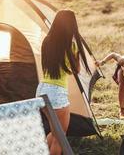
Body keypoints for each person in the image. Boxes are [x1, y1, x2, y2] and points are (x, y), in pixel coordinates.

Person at [36, 10, 91, 155]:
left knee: (55, 133)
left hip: (41, 89)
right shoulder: (71, 46)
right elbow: (75, 70)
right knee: (60, 137)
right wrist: (77, 53)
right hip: (57, 92)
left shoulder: (46, 42)